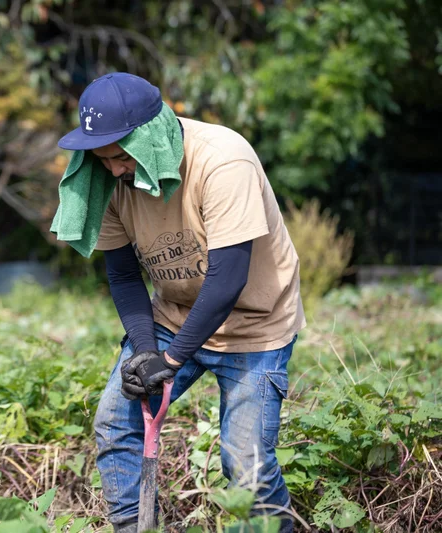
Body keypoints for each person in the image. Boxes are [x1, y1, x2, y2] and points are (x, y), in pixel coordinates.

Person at [53, 73, 306, 532]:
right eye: (101, 158)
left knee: (245, 463)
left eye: (119, 157)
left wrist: (169, 359)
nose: (112, 170)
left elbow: (228, 279)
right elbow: (124, 275)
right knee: (115, 424)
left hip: (255, 325)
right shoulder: (107, 180)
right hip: (173, 316)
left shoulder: (223, 160)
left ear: (150, 139)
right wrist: (147, 350)